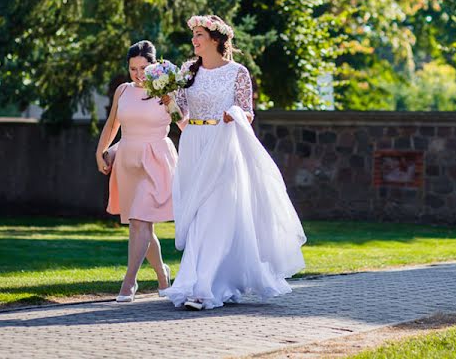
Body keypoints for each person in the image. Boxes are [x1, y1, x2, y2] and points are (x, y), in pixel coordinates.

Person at [161, 15, 306, 310]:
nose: (194, 40)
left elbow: (247, 112)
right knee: (199, 216)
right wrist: (168, 102)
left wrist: (233, 115)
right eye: (194, 35)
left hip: (224, 143)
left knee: (216, 214)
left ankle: (202, 288)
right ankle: (214, 282)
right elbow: (181, 118)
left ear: (216, 39)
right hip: (194, 144)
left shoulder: (238, 72)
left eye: (199, 34)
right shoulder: (188, 70)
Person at [95, 40, 178, 302]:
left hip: (156, 161)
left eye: (143, 68)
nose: (138, 74)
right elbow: (112, 125)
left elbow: (185, 123)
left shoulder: (167, 91)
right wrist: (101, 151)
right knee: (139, 223)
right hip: (127, 161)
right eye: (133, 68)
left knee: (140, 223)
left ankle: (129, 282)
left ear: (154, 66)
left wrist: (171, 102)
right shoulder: (123, 91)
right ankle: (163, 276)